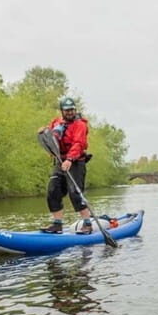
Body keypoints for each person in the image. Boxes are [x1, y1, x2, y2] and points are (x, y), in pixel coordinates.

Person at [40, 96, 93, 234]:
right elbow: (50, 136)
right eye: (67, 110)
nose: (70, 112)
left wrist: (70, 159)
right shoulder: (57, 122)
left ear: (75, 109)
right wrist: (43, 132)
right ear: (62, 111)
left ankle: (88, 224)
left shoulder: (80, 124)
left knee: (75, 193)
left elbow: (78, 143)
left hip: (76, 161)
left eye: (72, 110)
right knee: (53, 190)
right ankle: (57, 225)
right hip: (60, 161)